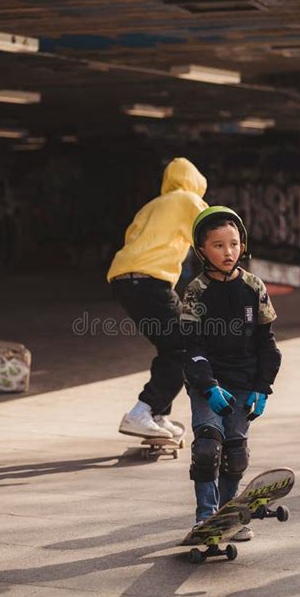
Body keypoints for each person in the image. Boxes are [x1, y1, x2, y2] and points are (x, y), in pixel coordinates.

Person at [181, 206, 282, 542]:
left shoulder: (254, 286)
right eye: (218, 245)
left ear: (243, 245)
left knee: (235, 453)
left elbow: (267, 343)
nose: (228, 252)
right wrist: (207, 386)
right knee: (208, 447)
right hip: (208, 383)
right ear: (201, 250)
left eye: (234, 244)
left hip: (244, 383)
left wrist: (262, 388)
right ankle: (205, 516)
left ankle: (229, 514)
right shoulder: (196, 290)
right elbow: (190, 346)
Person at [108, 157, 208, 440]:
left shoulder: (152, 205)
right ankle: (142, 411)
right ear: (195, 183)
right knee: (185, 348)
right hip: (149, 281)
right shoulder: (187, 199)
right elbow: (212, 230)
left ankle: (157, 414)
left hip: (125, 281)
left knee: (172, 346)